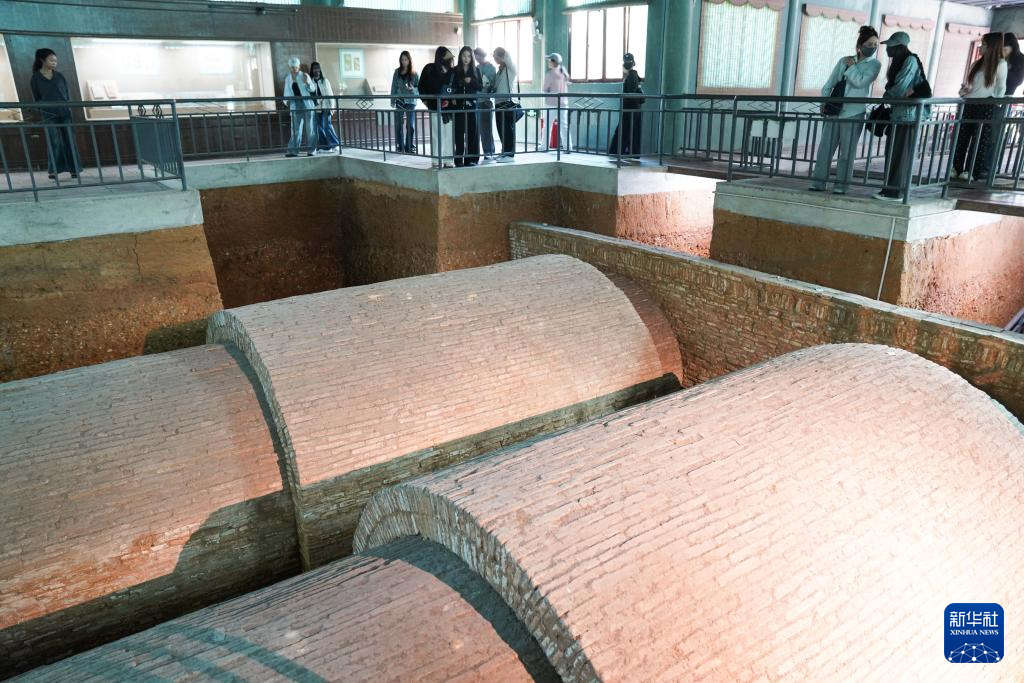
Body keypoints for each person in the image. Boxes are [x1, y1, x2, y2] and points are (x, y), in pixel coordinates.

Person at [809, 26, 881, 195]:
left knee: (847, 153)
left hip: (854, 113)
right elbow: (830, 83)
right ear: (860, 45)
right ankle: (818, 183)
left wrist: (853, 67)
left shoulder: (874, 64)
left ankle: (841, 186)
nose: (872, 48)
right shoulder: (844, 61)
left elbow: (861, 82)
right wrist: (824, 101)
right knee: (825, 149)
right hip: (835, 111)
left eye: (875, 45)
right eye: (869, 44)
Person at [875, 32, 929, 201]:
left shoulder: (910, 60)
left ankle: (895, 192)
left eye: (890, 46)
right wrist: (892, 94)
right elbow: (899, 90)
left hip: (907, 116)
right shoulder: (901, 61)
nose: (887, 49)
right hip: (899, 115)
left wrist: (889, 94)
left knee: (899, 155)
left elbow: (899, 89)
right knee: (893, 153)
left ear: (899, 47)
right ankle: (889, 190)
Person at [952, 32, 1006, 183]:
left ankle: (972, 171)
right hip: (970, 103)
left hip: (986, 105)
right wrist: (965, 91)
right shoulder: (976, 64)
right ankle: (956, 168)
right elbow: (970, 86)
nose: (981, 47)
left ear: (992, 47)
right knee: (962, 137)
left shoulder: (1000, 64)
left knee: (979, 140)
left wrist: (995, 101)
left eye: (984, 44)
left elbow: (1001, 87)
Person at [30, 48, 81, 180]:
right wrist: (43, 108)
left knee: (69, 140)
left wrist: (68, 107)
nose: (54, 63)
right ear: (42, 60)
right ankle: (54, 170)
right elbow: (36, 98)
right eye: (51, 60)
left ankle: (74, 169)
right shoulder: (35, 78)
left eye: (55, 61)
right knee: (54, 141)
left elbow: (66, 95)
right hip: (48, 115)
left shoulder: (60, 76)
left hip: (65, 113)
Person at [420, 46, 456, 168]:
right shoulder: (429, 68)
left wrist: (451, 101)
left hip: (449, 108)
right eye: (447, 56)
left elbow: (455, 88)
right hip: (434, 107)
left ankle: (448, 160)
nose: (450, 59)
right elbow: (421, 86)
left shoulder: (452, 71)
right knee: (436, 134)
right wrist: (426, 101)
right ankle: (436, 159)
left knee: (448, 134)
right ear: (440, 56)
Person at [451, 46, 482, 167]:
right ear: (460, 57)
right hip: (458, 107)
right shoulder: (455, 70)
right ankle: (458, 159)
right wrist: (453, 97)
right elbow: (451, 86)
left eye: (469, 56)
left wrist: (471, 81)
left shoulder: (476, 70)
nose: (466, 58)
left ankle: (471, 159)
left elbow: (480, 87)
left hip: (471, 106)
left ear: (472, 58)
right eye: (464, 56)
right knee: (458, 133)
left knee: (472, 133)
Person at [608, 53, 644, 159]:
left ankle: (616, 152)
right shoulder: (634, 76)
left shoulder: (631, 77)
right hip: (634, 110)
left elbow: (630, 94)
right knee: (632, 132)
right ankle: (633, 153)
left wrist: (624, 99)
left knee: (623, 132)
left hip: (630, 110)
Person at [283, 57, 317, 157]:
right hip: (295, 105)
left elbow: (312, 89)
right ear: (289, 67)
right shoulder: (288, 78)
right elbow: (286, 92)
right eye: (292, 67)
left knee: (310, 129)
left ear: (299, 67)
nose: (294, 69)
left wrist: (308, 82)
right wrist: (286, 102)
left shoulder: (304, 75)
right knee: (295, 129)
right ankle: (293, 151)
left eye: (296, 67)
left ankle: (311, 150)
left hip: (307, 105)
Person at [492, 47, 518, 163]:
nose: (493, 57)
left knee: (507, 129)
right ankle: (504, 152)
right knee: (501, 128)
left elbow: (507, 56)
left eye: (495, 55)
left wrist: (502, 54)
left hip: (506, 102)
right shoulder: (500, 70)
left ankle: (510, 155)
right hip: (498, 103)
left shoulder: (510, 68)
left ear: (501, 56)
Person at [543, 52, 572, 153]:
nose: (548, 62)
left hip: (551, 104)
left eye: (549, 60)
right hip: (564, 103)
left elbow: (545, 89)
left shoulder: (550, 74)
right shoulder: (564, 73)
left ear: (553, 62)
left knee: (547, 126)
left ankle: (544, 147)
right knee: (564, 126)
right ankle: (568, 147)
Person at [391, 51, 419, 153]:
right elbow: (394, 87)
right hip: (400, 101)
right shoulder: (397, 72)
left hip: (411, 101)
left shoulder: (415, 73)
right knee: (399, 124)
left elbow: (419, 88)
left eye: (406, 59)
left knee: (410, 125)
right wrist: (392, 100)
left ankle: (409, 146)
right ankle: (400, 146)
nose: (404, 62)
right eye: (402, 60)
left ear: (409, 60)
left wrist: (413, 89)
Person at [309, 61, 340, 154]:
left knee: (327, 126)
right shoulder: (310, 82)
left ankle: (335, 144)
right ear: (312, 70)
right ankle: (325, 147)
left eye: (317, 68)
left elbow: (330, 95)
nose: (316, 70)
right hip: (317, 108)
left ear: (320, 70)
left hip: (326, 107)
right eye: (314, 69)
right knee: (320, 128)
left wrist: (332, 108)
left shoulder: (325, 81)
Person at [474, 47, 497, 161]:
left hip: (486, 102)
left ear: (480, 55)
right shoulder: (476, 67)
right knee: (477, 129)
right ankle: (479, 153)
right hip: (476, 102)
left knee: (486, 129)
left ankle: (489, 152)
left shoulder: (491, 68)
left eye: (476, 55)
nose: (475, 58)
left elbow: (487, 84)